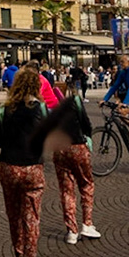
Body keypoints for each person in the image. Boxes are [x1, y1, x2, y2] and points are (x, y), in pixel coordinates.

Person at [0, 68, 47, 257]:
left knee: (14, 215)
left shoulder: (3, 109)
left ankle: (18, 254)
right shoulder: (40, 108)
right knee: (32, 219)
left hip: (9, 165)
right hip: (32, 166)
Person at [37, 76, 101, 245]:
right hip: (77, 146)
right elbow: (86, 124)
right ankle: (87, 223)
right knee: (86, 184)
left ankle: (71, 231)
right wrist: (87, 136)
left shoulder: (47, 107)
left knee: (66, 190)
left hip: (59, 149)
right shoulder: (75, 102)